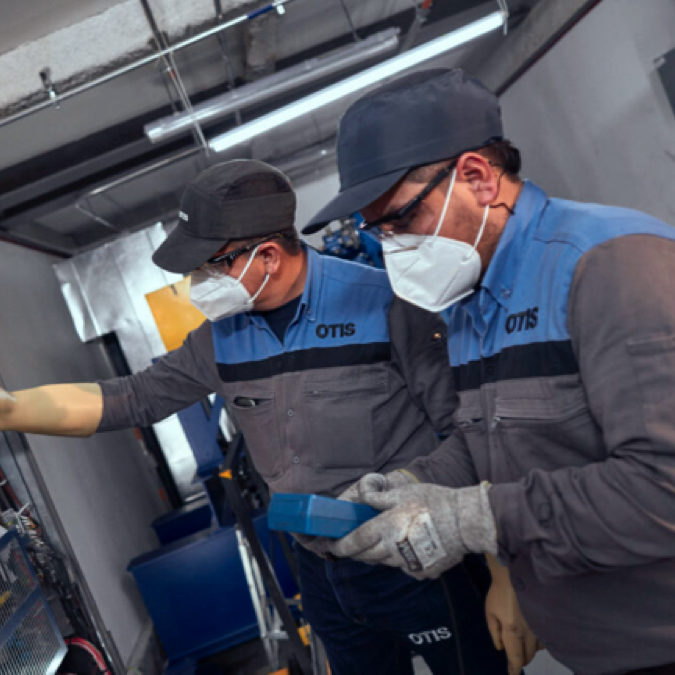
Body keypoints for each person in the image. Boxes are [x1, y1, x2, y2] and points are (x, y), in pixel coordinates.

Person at [0, 159, 510, 675]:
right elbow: (134, 398)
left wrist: (506, 573)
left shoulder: (386, 304)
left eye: (208, 266)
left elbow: (469, 433)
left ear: (265, 255)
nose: (197, 282)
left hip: (416, 556)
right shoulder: (219, 340)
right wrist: (12, 408)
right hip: (319, 568)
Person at [303, 67, 675, 675]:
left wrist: (475, 519)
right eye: (377, 230)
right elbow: (491, 442)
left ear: (476, 178)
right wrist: (409, 486)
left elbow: (664, 487)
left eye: (400, 219)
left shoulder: (609, 266)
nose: (389, 245)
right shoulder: (473, 297)